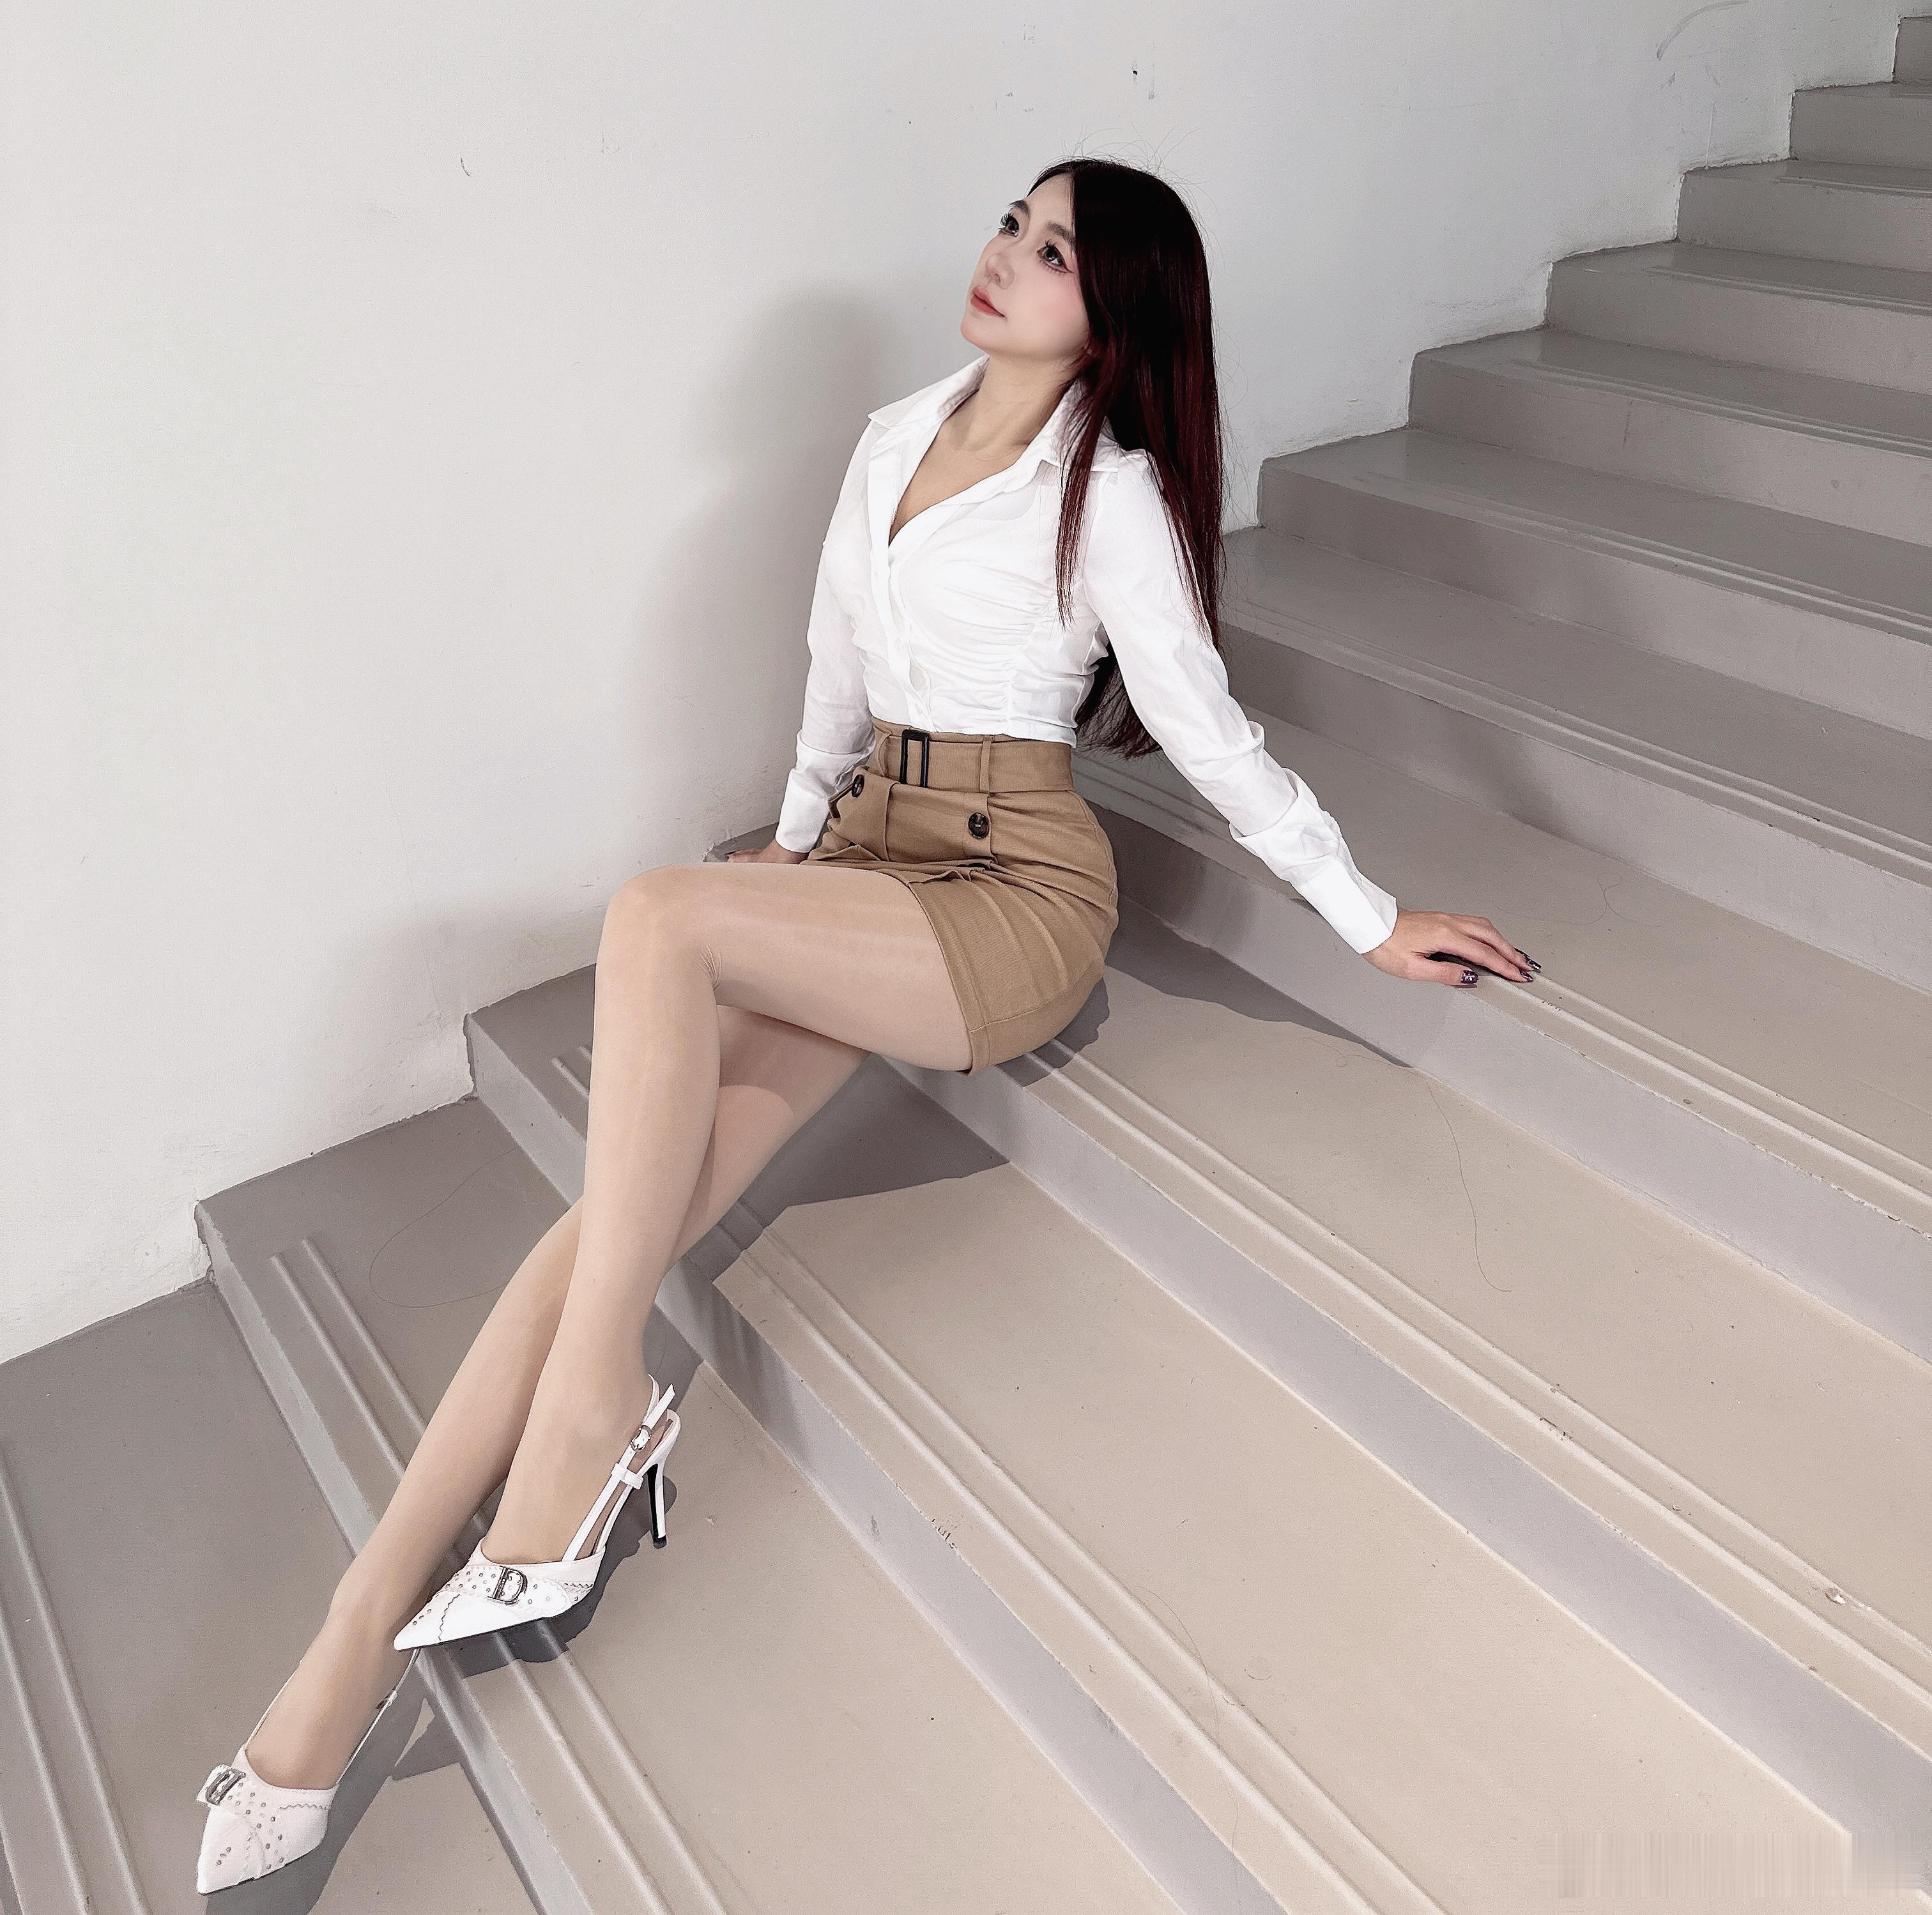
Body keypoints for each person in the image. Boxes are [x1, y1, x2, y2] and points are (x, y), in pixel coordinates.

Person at [194, 158, 1535, 1889]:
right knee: (613, 1221)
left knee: (656, 918)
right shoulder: (896, 437)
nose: (1007, 260)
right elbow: (835, 670)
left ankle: (591, 1423)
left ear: (1113, 319)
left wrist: (1366, 916)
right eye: (1012, 225)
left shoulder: (1109, 494)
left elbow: (1207, 732)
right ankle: (337, 1663)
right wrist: (796, 842)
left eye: (1056, 254)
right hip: (871, 857)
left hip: (1014, 893)